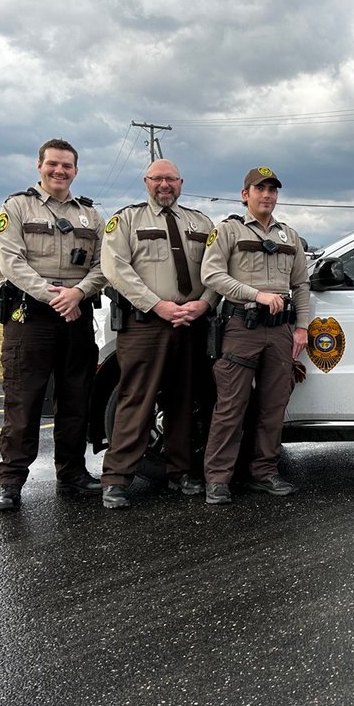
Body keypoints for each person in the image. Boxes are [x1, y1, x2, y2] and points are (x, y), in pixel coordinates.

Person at [0, 138, 105, 510]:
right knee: (24, 400)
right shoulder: (17, 207)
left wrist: (78, 293)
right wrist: (55, 296)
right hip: (32, 317)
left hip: (77, 315)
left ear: (76, 170)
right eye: (53, 164)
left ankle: (71, 472)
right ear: (39, 166)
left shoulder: (91, 215)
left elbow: (106, 265)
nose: (60, 171)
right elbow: (11, 262)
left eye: (67, 166)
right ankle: (10, 481)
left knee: (76, 399)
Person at [99, 160, 218, 509]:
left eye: (170, 179)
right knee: (137, 399)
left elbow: (216, 270)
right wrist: (156, 305)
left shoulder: (201, 222)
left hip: (192, 322)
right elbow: (115, 268)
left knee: (184, 399)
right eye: (157, 179)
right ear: (146, 182)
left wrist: (204, 304)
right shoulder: (127, 220)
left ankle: (180, 472)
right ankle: (117, 478)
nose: (164, 184)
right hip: (146, 323)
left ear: (181, 182)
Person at [200, 166, 309, 505]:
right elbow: (211, 274)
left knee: (273, 406)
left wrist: (302, 326)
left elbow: (301, 284)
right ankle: (218, 479)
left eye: (272, 190)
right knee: (231, 406)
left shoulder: (289, 237)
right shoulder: (228, 230)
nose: (267, 195)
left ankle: (264, 473)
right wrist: (254, 294)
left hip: (279, 331)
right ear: (245, 194)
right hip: (240, 328)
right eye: (260, 189)